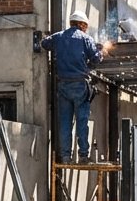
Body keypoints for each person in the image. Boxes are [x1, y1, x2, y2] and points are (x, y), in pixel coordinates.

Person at [40, 10, 103, 163]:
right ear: (82, 24)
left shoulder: (59, 36)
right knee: (82, 121)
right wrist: (101, 52)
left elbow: (44, 43)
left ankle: (66, 156)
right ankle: (83, 155)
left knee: (65, 123)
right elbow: (95, 60)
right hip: (80, 85)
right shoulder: (86, 38)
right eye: (85, 26)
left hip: (63, 85)